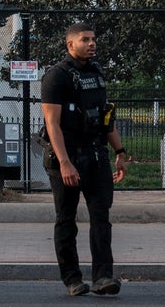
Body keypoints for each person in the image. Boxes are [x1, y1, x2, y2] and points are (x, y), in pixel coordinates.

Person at [40, 23, 126, 297]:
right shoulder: (57, 76)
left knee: (101, 217)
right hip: (67, 157)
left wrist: (120, 152)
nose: (92, 43)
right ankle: (72, 279)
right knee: (66, 219)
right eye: (85, 39)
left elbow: (105, 117)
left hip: (97, 156)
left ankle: (104, 277)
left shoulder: (97, 72)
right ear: (70, 44)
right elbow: (51, 124)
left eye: (93, 39)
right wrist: (65, 162)